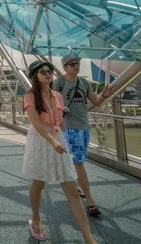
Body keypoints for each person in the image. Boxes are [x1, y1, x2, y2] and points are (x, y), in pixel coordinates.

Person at [22, 60, 96, 243]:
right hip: (40, 141)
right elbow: (36, 124)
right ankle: (36, 218)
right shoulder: (30, 96)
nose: (48, 74)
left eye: (49, 71)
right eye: (43, 71)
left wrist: (61, 139)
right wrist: (53, 141)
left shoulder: (57, 96)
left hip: (57, 138)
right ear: (35, 75)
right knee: (38, 184)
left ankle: (89, 239)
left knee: (71, 187)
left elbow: (60, 122)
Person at [55, 53, 112, 217]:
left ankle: (74, 186)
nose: (76, 66)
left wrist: (105, 94)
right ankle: (90, 200)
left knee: (75, 161)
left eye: (78, 63)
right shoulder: (59, 83)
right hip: (69, 127)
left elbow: (96, 102)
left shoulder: (84, 82)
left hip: (84, 127)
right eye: (72, 63)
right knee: (79, 162)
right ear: (65, 67)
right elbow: (49, 102)